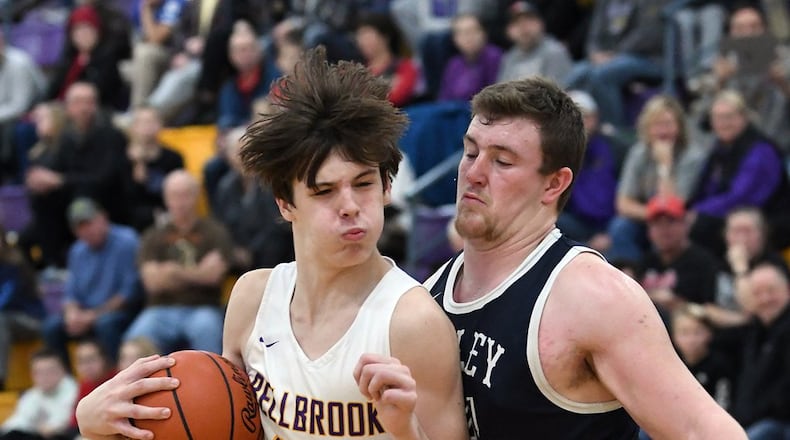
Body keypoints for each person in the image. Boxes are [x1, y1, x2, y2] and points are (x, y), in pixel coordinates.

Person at [75, 46, 467, 440]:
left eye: (363, 184)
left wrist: (404, 430)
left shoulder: (414, 323)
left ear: (386, 187)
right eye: (324, 191)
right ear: (286, 204)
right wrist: (96, 427)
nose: (350, 206)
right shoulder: (252, 298)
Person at [424, 77, 746, 439]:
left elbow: (706, 432)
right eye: (470, 152)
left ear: (553, 184)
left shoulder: (592, 298)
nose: (474, 173)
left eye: (502, 161)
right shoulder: (428, 294)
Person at [122, 169, 233, 355]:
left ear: (197, 196)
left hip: (202, 308)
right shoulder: (154, 235)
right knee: (132, 346)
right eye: (175, 195)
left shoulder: (215, 232)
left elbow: (213, 277)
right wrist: (197, 273)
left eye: (186, 195)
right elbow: (152, 283)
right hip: (160, 310)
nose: (180, 202)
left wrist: (172, 271)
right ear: (166, 199)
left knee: (209, 338)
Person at [42, 198, 142, 367]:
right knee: (52, 327)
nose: (86, 230)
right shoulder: (77, 251)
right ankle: (67, 384)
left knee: (107, 324)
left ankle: (121, 377)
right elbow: (71, 293)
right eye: (79, 227)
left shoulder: (127, 241)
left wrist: (93, 316)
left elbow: (128, 293)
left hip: (124, 312)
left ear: (103, 218)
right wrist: (72, 313)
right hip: (89, 314)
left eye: (89, 223)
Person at [0, 349, 78, 440]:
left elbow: (63, 422)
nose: (45, 377)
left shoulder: (74, 390)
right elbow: (17, 422)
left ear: (63, 370)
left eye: (50, 371)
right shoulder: (32, 394)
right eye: (39, 372)